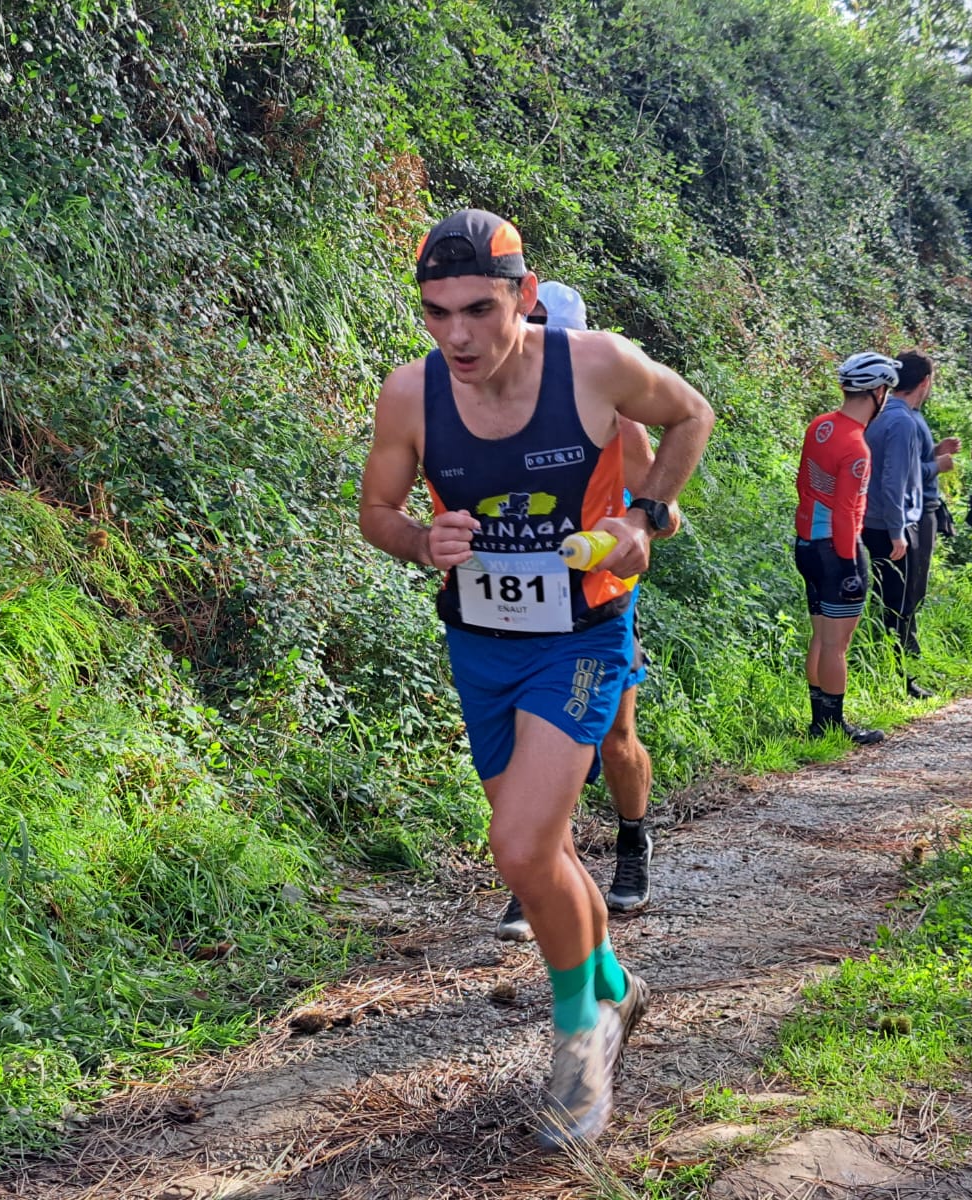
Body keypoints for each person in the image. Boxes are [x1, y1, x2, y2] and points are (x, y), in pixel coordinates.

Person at [359, 210, 714, 1146]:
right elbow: (379, 513)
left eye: (479, 308)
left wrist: (645, 515)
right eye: (437, 313)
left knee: (518, 849)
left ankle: (580, 1037)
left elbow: (691, 414)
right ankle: (614, 987)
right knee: (539, 850)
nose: (459, 335)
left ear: (523, 292)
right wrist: (418, 540)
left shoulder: (594, 364)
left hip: (581, 636)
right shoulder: (411, 396)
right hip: (479, 643)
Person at [495, 282, 675, 940]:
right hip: (520, 599)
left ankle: (633, 840)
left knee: (612, 736)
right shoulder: (493, 404)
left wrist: (640, 527)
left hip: (599, 599)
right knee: (529, 737)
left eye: (549, 335)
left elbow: (665, 512)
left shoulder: (616, 418)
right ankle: (540, 872)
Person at [795, 353, 898, 745]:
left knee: (821, 637)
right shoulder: (857, 446)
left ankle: (817, 722)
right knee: (838, 644)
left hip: (806, 543)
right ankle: (832, 726)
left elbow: (802, 483)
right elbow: (844, 511)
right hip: (836, 550)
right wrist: (849, 562)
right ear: (877, 391)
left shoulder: (819, 425)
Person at [860, 352, 954, 698]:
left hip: (883, 519)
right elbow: (895, 479)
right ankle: (899, 678)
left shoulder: (888, 415)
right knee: (901, 599)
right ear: (925, 381)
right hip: (894, 523)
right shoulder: (902, 421)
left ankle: (896, 669)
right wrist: (898, 530)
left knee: (893, 598)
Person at [896, 351, 959, 691]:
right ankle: (904, 669)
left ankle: (910, 659)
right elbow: (901, 474)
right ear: (924, 382)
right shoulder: (903, 417)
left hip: (922, 511)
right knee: (910, 590)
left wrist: (935, 451)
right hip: (916, 514)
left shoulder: (910, 416)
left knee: (913, 591)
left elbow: (910, 459)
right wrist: (939, 466)